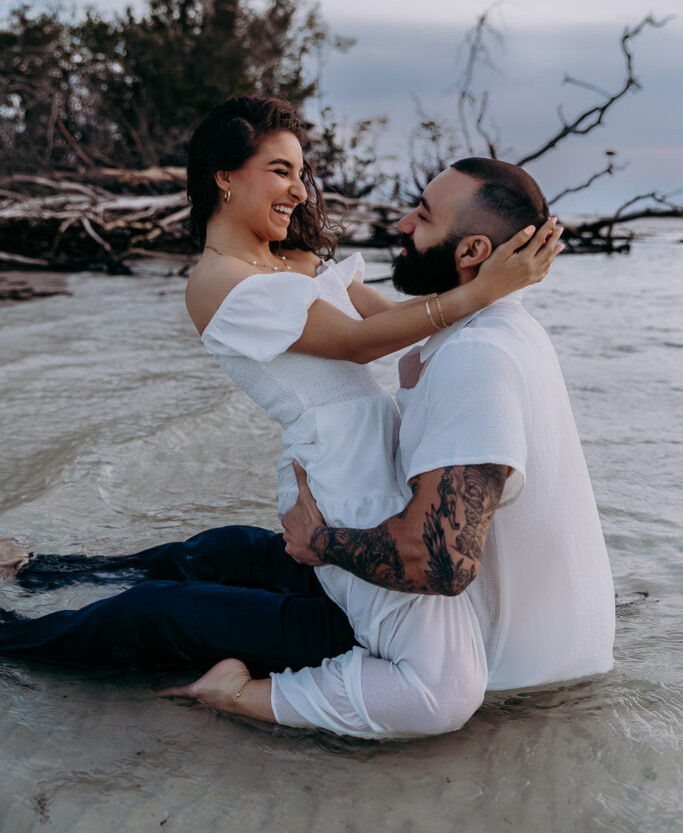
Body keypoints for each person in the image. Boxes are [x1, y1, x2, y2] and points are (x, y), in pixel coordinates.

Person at [0, 96, 560, 739]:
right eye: (280, 170)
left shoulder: (297, 262)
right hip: (341, 470)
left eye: (301, 172)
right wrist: (482, 290)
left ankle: (41, 570)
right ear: (225, 176)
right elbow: (356, 343)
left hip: (366, 455)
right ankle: (19, 637)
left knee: (222, 553)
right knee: (193, 603)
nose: (298, 189)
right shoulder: (220, 283)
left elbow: (391, 324)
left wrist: (489, 276)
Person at [160, 153, 615, 735]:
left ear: (473, 253)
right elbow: (379, 335)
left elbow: (439, 562)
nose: (401, 223)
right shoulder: (505, 329)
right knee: (228, 557)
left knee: (423, 687)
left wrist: (319, 541)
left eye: (422, 216)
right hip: (564, 662)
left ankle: (238, 695)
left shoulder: (476, 356)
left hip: (513, 682)